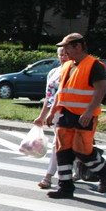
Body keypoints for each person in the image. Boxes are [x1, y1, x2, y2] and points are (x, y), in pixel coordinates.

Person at [45, 33, 106, 198]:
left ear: (78, 46)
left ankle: (105, 171)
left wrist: (89, 111)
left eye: (67, 47)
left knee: (82, 151)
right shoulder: (68, 65)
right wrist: (52, 112)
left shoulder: (94, 65)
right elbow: (61, 92)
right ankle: (65, 187)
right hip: (66, 114)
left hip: (84, 116)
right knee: (63, 151)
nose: (64, 51)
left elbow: (101, 89)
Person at [33, 47, 69, 189]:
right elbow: (49, 96)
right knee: (57, 144)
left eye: (66, 54)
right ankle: (49, 176)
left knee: (65, 145)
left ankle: (51, 175)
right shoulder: (53, 73)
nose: (64, 57)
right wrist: (42, 116)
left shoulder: (74, 71)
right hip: (56, 114)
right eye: (61, 54)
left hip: (70, 113)